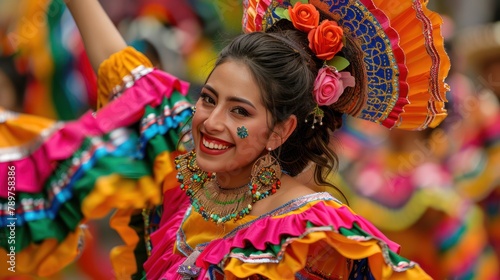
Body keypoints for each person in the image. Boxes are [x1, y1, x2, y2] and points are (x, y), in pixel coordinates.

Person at [1, 0, 450, 279]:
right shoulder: (191, 178)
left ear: (280, 131)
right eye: (209, 99)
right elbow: (127, 76)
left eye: (240, 111)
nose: (211, 122)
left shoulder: (312, 233)